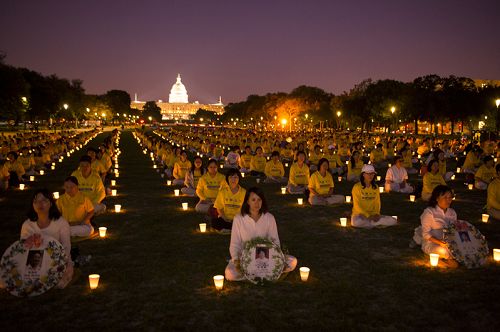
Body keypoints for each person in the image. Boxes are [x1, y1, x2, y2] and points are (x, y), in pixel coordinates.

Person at [225, 187, 297, 281]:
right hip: (246, 258)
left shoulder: (269, 218)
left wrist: (276, 258)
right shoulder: (239, 219)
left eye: (259, 199)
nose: (257, 203)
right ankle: (264, 274)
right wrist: (236, 260)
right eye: (253, 200)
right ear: (247, 201)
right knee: (230, 273)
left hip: (265, 258)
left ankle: (252, 274)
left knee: (292, 261)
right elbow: (235, 243)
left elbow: (275, 241)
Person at [20, 189, 73, 288]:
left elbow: (66, 246)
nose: (40, 204)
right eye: (36, 201)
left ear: (51, 203)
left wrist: (60, 261)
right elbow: (23, 248)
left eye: (44, 200)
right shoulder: (27, 225)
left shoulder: (61, 222)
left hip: (57, 258)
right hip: (34, 261)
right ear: (32, 204)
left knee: (60, 281)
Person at [414, 185, 459, 267]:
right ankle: (450, 259)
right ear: (437, 198)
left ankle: (451, 258)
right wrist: (440, 242)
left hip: (449, 242)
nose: (448, 200)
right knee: (442, 251)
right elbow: (426, 234)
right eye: (445, 197)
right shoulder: (429, 212)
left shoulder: (452, 212)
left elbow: (454, 229)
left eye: (450, 197)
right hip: (432, 243)